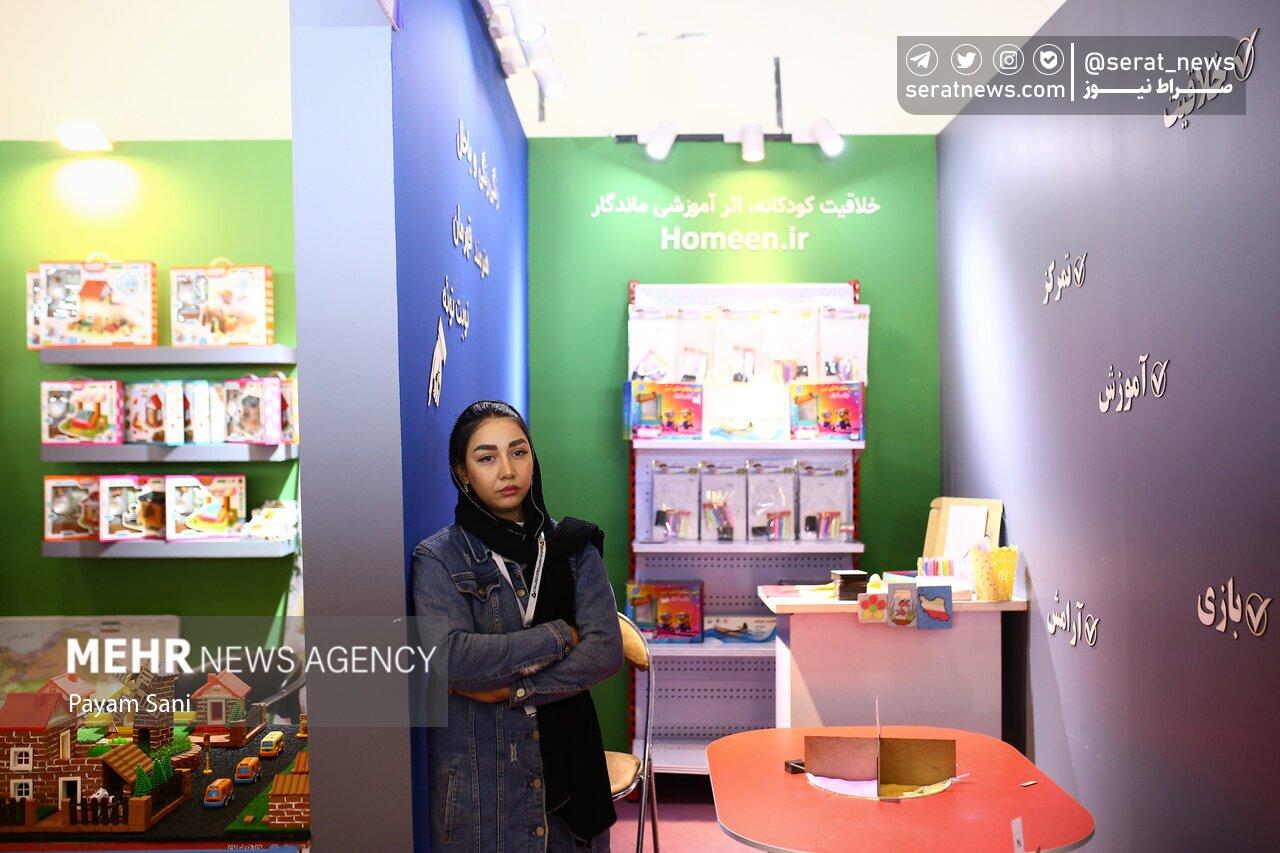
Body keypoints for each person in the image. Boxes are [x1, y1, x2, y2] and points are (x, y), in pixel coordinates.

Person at [413, 400, 624, 851]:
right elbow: (453, 659)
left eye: (518, 452)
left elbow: (605, 651)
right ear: (463, 472)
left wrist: (514, 689)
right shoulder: (437, 558)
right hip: (483, 796)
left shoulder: (574, 548)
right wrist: (560, 635)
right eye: (486, 458)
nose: (507, 470)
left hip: (569, 790)